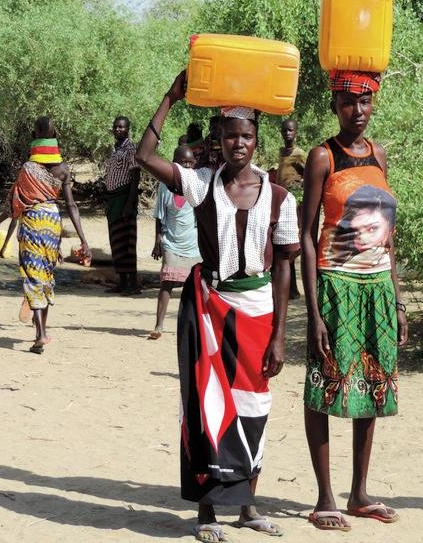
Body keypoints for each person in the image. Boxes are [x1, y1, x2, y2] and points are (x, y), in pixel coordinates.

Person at [135, 71, 299, 542]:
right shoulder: (202, 183)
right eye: (230, 136)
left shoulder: (279, 198)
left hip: (258, 309)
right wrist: (170, 96)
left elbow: (284, 268)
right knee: (205, 406)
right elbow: (145, 157)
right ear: (219, 140)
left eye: (246, 135)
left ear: (256, 140)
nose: (238, 144)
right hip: (207, 307)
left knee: (254, 405)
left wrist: (280, 334)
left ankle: (247, 507)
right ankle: (207, 513)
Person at [300, 70, 408, 531]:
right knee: (325, 386)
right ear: (334, 106)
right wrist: (314, 312)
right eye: (348, 103)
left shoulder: (380, 155)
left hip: (377, 288)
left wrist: (399, 302)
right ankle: (325, 496)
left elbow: (389, 237)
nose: (357, 111)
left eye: (364, 102)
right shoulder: (322, 156)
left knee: (373, 385)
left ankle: (359, 493)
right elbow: (305, 236)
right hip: (337, 288)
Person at [0, 116, 90, 355]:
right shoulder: (63, 170)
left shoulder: (27, 169)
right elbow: (72, 207)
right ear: (55, 137)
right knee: (45, 273)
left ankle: (40, 334)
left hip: (33, 221)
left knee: (32, 274)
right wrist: (83, 239)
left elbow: (16, 204)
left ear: (34, 137)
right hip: (53, 222)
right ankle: (41, 328)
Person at [149, 144, 201, 340]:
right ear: (174, 164)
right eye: (182, 162)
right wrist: (157, 241)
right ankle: (159, 325)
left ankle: (194, 327)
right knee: (167, 283)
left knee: (195, 287)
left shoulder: (197, 183)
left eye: (190, 162)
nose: (187, 166)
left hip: (194, 243)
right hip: (171, 241)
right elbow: (159, 216)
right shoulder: (165, 185)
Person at [103, 115, 141, 294]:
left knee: (127, 241)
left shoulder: (131, 148)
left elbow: (135, 177)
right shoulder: (114, 149)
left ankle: (132, 284)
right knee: (116, 241)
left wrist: (129, 203)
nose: (118, 129)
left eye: (122, 127)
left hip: (124, 199)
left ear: (128, 129)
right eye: (116, 127)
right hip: (113, 200)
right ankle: (122, 281)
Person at [276, 118, 307, 299]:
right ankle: (291, 289)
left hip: (294, 203)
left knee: (293, 243)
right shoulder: (282, 152)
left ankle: (292, 289)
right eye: (285, 130)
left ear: (296, 132)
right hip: (282, 202)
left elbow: (309, 174)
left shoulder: (299, 154)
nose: (288, 133)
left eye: (291, 130)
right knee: (284, 242)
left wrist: (299, 185)